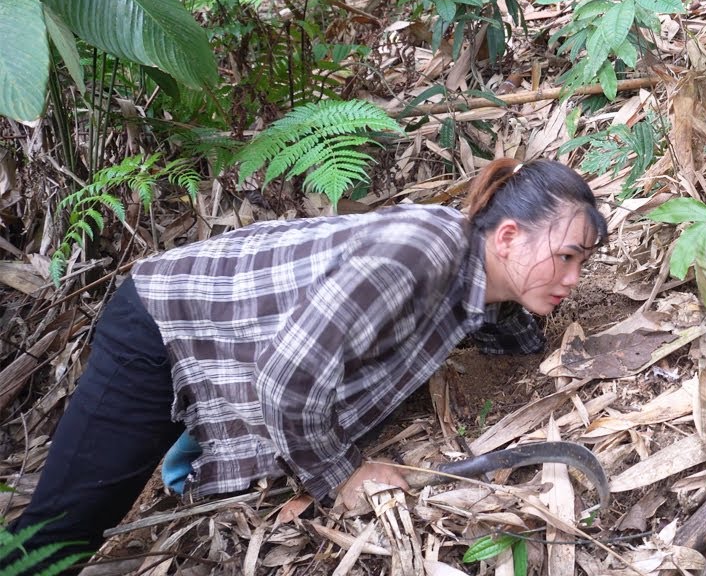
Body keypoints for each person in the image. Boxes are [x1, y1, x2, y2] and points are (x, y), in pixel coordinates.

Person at [5, 157, 606, 568]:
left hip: (226, 339)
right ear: (506, 238)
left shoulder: (471, 274)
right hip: (163, 330)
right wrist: (340, 475)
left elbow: (484, 325)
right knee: (65, 530)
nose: (573, 279)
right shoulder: (419, 254)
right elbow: (287, 379)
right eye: (567, 258)